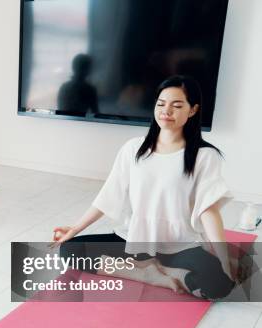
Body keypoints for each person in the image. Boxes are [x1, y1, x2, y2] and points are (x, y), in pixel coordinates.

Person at [53, 75, 235, 300]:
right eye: (161, 104)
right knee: (71, 250)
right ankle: (149, 275)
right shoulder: (133, 149)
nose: (166, 110)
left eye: (177, 105)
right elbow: (108, 195)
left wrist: (223, 261)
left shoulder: (205, 156)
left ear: (192, 110)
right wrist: (74, 229)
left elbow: (209, 210)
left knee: (220, 285)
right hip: (133, 239)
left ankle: (170, 271)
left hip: (178, 245)